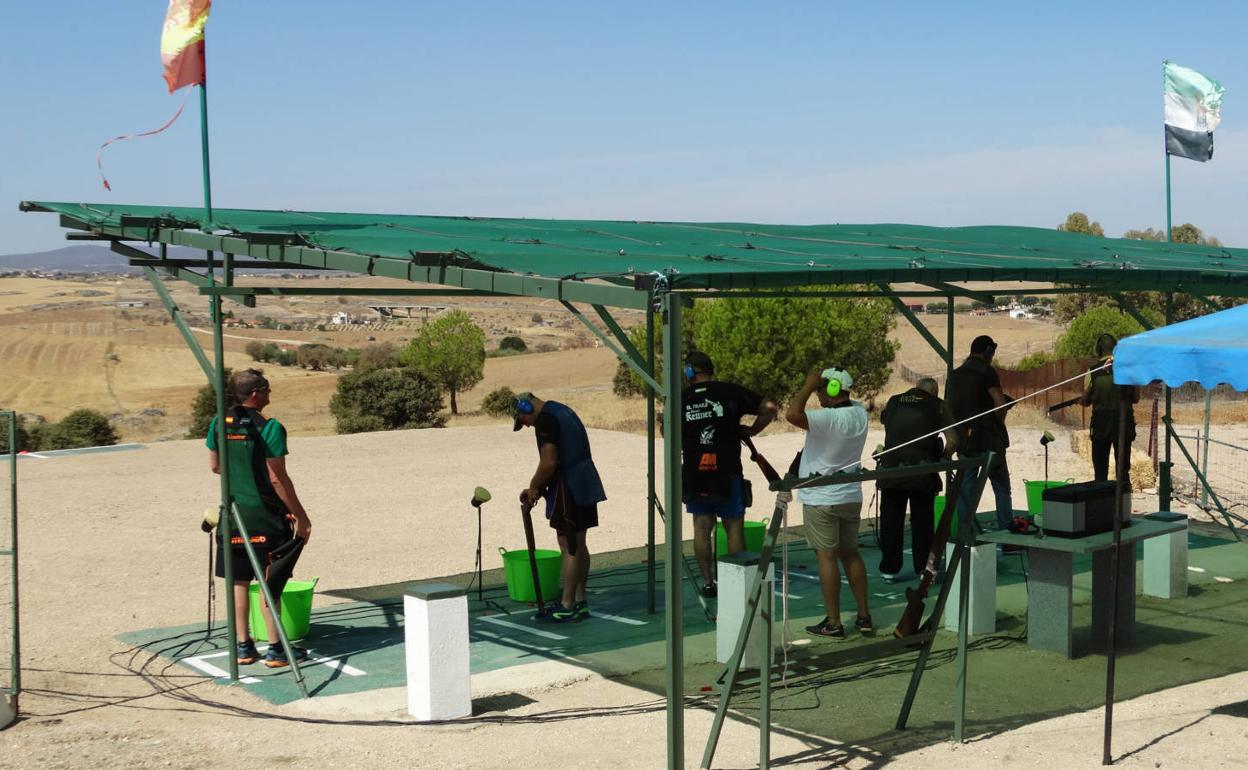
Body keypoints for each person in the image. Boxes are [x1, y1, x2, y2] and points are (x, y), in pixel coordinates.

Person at [207, 369, 312, 668]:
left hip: (234, 514)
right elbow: (277, 479)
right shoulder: (271, 427)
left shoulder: (218, 422)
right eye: (267, 390)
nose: (269, 396)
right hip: (266, 517)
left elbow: (215, 466)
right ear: (256, 393)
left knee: (239, 583)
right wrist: (302, 517)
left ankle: (243, 647)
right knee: (270, 583)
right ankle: (276, 649)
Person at [680, 351, 778, 598]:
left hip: (696, 473)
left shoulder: (681, 399)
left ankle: (708, 583)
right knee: (734, 528)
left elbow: (664, 429)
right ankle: (738, 585)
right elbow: (769, 407)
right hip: (727, 471)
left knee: (701, 528)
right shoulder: (729, 391)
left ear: (690, 372)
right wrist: (753, 430)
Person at [786, 366, 871, 639]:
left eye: (823, 390)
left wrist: (809, 384)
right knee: (851, 554)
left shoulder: (827, 419)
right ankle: (864, 615)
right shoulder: (859, 413)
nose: (819, 395)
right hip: (849, 495)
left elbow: (791, 414)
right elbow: (848, 402)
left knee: (826, 557)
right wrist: (824, 385)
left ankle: (833, 622)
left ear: (831, 390)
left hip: (822, 497)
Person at [513, 391, 606, 622]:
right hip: (583, 480)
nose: (524, 425)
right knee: (579, 543)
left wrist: (534, 486)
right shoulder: (561, 410)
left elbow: (549, 461)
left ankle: (567, 603)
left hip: (569, 487)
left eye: (521, 419)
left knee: (569, 546)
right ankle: (579, 600)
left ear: (525, 407)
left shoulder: (545, 420)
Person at [875, 377, 958, 582]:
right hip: (922, 472)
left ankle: (889, 569)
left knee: (891, 521)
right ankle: (923, 568)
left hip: (891, 471)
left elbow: (887, 423)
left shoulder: (894, 400)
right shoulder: (938, 405)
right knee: (922, 522)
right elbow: (954, 440)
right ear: (934, 391)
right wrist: (943, 456)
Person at [945, 335, 1015, 536]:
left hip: (965, 443)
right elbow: (999, 404)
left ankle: (964, 537)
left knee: (966, 491)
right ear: (987, 352)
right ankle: (1007, 537)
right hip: (990, 442)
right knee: (1002, 488)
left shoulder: (954, 375)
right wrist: (998, 424)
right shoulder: (987, 371)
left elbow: (948, 409)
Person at [1082, 333, 1140, 486]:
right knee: (1123, 471)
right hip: (1124, 425)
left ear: (1099, 349)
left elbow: (1085, 401)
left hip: (1101, 425)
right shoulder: (1127, 370)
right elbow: (1135, 398)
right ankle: (1123, 503)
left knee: (1100, 472)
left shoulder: (1092, 372)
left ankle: (1102, 505)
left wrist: (1085, 398)